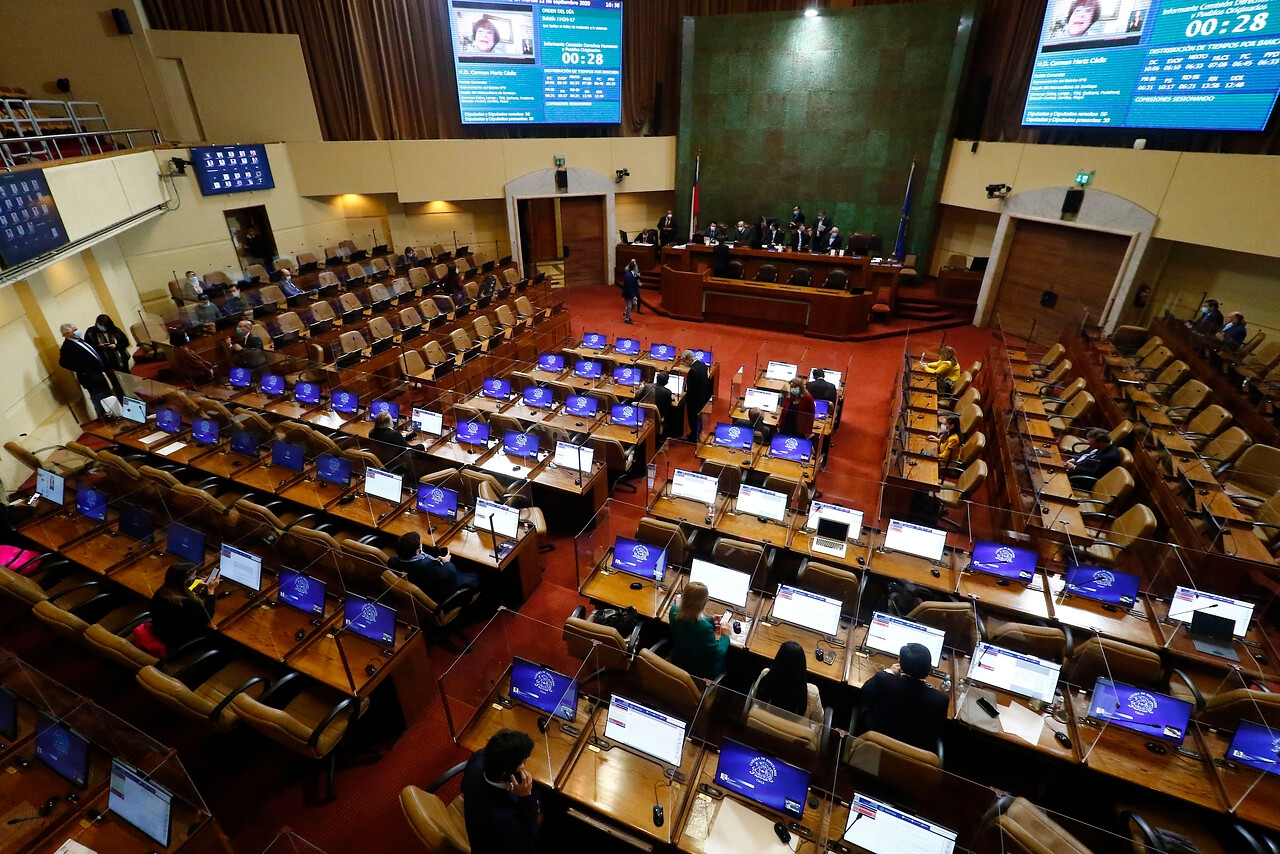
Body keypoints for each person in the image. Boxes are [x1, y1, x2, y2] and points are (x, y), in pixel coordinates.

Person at [858, 642, 948, 754]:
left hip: (873, 750)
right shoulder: (940, 700)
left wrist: (889, 672)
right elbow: (939, 729)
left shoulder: (883, 680)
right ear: (929, 669)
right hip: (912, 759)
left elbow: (865, 691)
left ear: (900, 664)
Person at [462, 729, 538, 854]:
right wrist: (526, 798)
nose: (525, 765)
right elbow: (528, 846)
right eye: (523, 762)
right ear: (506, 773)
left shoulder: (479, 759)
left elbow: (463, 787)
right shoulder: (502, 819)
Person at [388, 531, 478, 602]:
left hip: (424, 584)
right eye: (420, 544)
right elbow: (449, 575)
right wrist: (447, 562)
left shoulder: (393, 560)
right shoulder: (425, 566)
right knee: (476, 575)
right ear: (417, 552)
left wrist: (434, 562)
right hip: (441, 593)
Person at [148, 562, 217, 653]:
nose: (195, 578)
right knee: (217, 636)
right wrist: (211, 591)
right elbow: (207, 616)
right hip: (178, 642)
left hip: (162, 631)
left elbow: (184, 590)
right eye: (193, 576)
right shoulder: (185, 603)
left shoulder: (162, 592)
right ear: (185, 580)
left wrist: (197, 585)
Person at [668, 581, 730, 679]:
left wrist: (711, 620)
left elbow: (690, 624)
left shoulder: (673, 611)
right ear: (703, 604)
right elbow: (718, 655)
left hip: (679, 660)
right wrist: (725, 636)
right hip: (700, 671)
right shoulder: (705, 629)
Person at [754, 641, 823, 726]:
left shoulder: (765, 675)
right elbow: (818, 720)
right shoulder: (813, 692)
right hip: (794, 732)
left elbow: (755, 699)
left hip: (762, 728)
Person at [58, 322, 114, 418]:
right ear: (66, 334)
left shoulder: (79, 340)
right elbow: (63, 363)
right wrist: (83, 370)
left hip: (98, 372)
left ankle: (114, 412)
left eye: (76, 329)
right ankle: (105, 417)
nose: (77, 331)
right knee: (99, 397)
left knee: (107, 394)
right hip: (89, 377)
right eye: (74, 330)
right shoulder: (67, 347)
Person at [633, 371, 679, 441]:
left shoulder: (647, 386)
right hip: (657, 417)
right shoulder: (667, 392)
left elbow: (637, 396)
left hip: (643, 415)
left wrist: (641, 389)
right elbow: (668, 407)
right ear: (666, 382)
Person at [83, 314, 131, 381]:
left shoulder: (115, 330)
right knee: (113, 380)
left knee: (127, 378)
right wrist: (98, 346)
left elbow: (126, 343)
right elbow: (88, 346)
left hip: (120, 358)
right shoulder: (91, 332)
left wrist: (116, 346)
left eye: (105, 325)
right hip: (104, 361)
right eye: (100, 325)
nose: (102, 327)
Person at [680, 350, 713, 443]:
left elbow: (691, 389)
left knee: (693, 418)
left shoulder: (693, 371)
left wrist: (686, 398)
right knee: (699, 417)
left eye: (684, 361)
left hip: (694, 400)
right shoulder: (702, 365)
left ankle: (693, 437)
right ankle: (697, 433)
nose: (684, 363)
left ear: (689, 359)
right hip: (703, 396)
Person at [621, 258, 641, 324]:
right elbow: (628, 287)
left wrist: (638, 277)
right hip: (628, 293)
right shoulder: (628, 275)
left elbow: (634, 280)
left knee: (634, 304)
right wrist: (633, 296)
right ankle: (627, 318)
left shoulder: (632, 274)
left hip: (631, 292)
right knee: (629, 306)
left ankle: (626, 312)